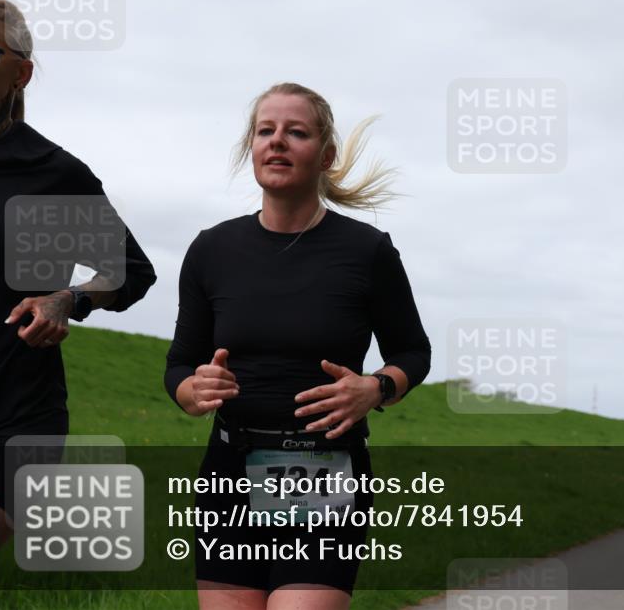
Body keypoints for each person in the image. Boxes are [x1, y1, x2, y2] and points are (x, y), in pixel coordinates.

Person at [164, 82, 431, 610]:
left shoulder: (366, 251)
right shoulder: (211, 249)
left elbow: (413, 352)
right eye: (266, 131)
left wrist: (375, 388)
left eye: (296, 132)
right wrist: (194, 391)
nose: (277, 141)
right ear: (252, 147)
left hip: (324, 474)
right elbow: (178, 366)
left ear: (326, 155)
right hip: (228, 470)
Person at [0, 0, 157, 608]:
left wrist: (67, 298)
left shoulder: (49, 173)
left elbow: (130, 271)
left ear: (19, 72)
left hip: (12, 420)